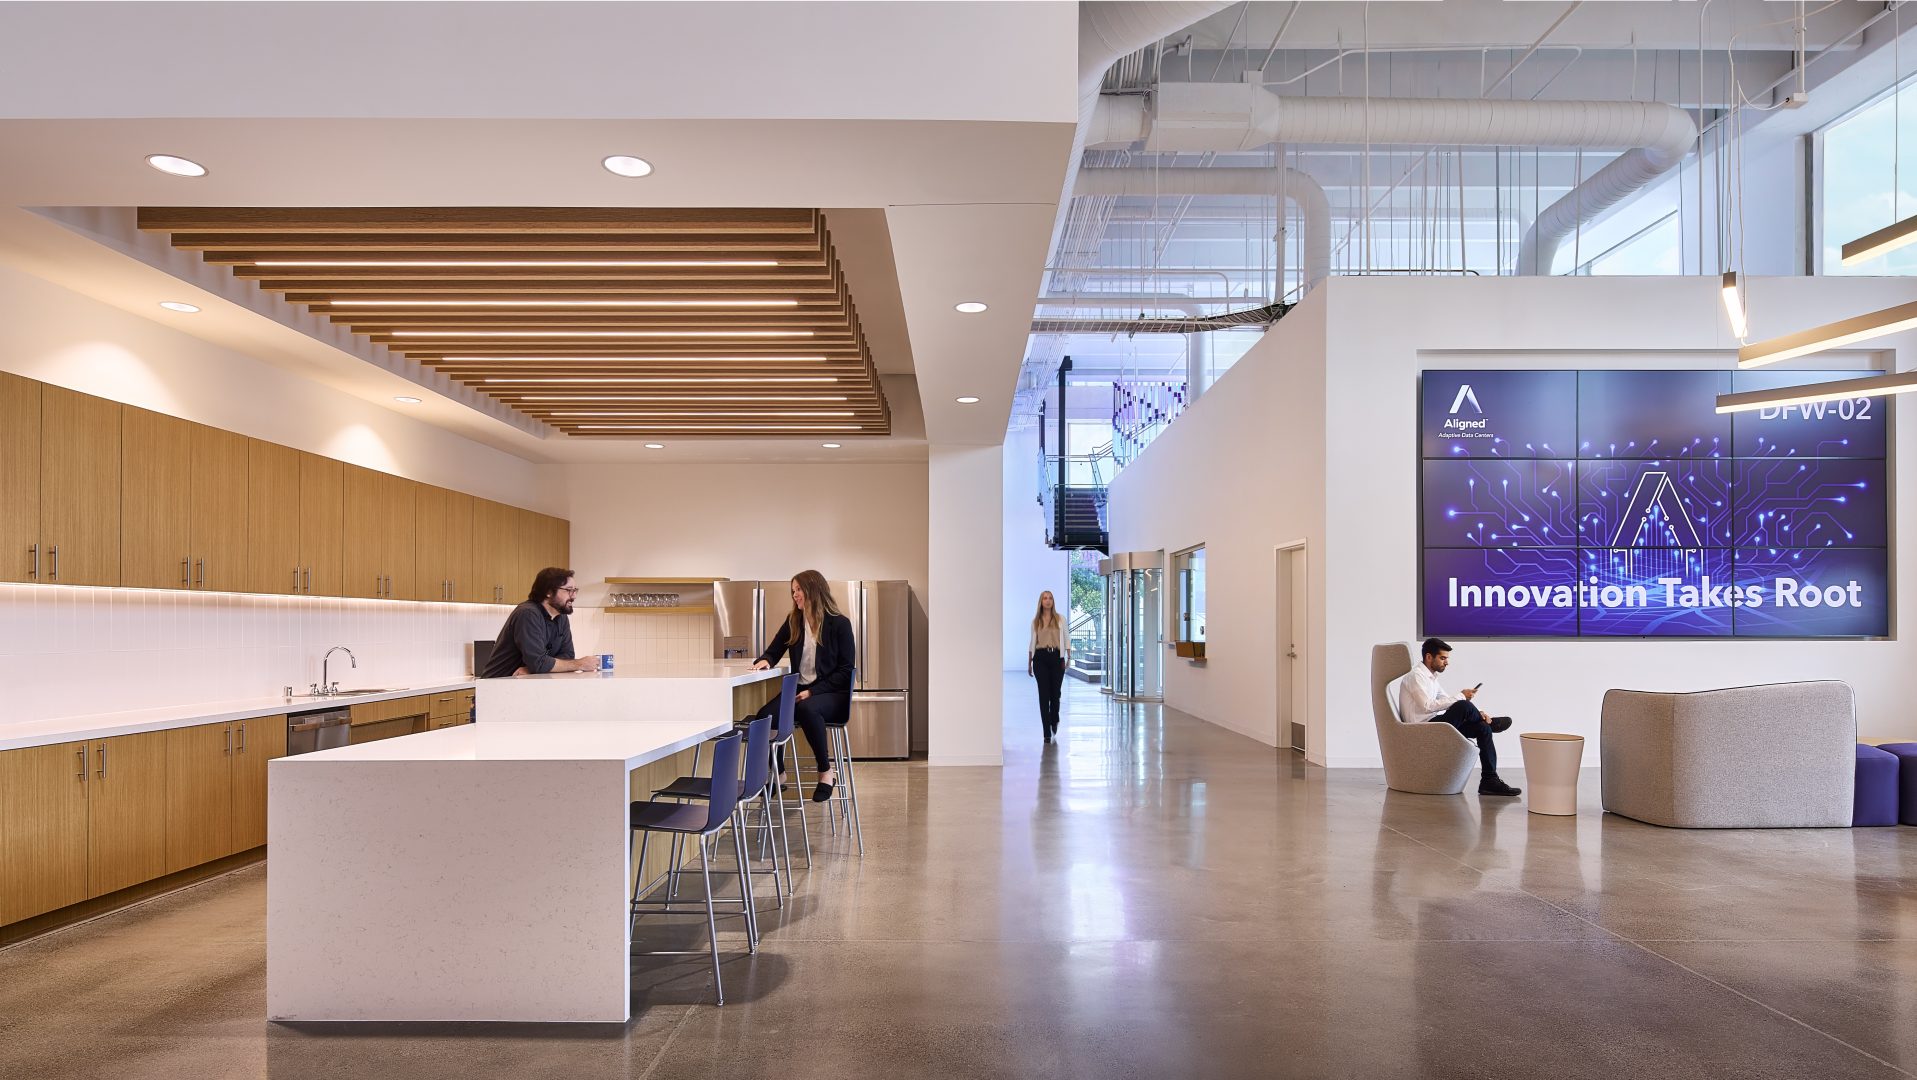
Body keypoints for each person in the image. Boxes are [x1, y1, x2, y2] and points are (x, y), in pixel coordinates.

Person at [750, 571, 855, 802]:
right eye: (793, 590)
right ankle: (778, 773)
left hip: (831, 693)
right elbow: (774, 650)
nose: (795, 594)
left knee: (808, 708)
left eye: (798, 589)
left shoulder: (839, 624)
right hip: (801, 690)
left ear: (813, 590)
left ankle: (826, 772)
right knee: (763, 717)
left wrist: (813, 691)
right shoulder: (794, 621)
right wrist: (766, 660)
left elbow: (846, 671)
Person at [1397, 637, 1521, 797]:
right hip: (1422, 729)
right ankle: (1491, 724)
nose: (1446, 662)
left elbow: (1448, 701)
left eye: (1446, 659)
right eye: (1442, 658)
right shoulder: (1416, 677)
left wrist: (1478, 711)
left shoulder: (1431, 678)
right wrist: (1461, 696)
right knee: (1463, 705)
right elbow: (1427, 706)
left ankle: (1489, 781)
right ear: (1429, 657)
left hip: (1435, 725)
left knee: (1482, 728)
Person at [480, 567, 602, 678]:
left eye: (575, 590)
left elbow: (567, 656)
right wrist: (580, 664)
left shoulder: (561, 617)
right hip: (494, 688)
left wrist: (534, 668)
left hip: (519, 687)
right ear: (548, 592)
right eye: (568, 590)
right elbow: (539, 662)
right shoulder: (528, 614)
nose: (573, 596)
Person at [1028, 590, 1070, 744]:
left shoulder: (1060, 619)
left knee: (1055, 694)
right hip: (1040, 659)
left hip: (1056, 658)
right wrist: (1030, 661)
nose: (1047, 601)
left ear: (1053, 601)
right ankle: (1046, 731)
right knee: (1043, 696)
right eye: (1045, 598)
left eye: (1050, 598)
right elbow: (1032, 642)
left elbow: (1066, 637)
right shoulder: (1036, 621)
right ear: (1041, 601)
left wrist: (1069, 656)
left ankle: (1055, 718)